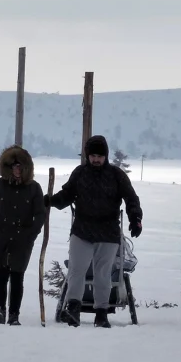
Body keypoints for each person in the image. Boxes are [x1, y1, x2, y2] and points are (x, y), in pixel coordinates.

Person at [45, 134, 142, 328]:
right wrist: (51, 201)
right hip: (82, 230)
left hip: (108, 232)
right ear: (87, 156)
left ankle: (101, 314)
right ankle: (73, 308)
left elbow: (131, 198)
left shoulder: (116, 175)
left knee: (103, 274)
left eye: (100, 156)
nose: (96, 159)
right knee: (76, 270)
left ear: (105, 156)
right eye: (93, 156)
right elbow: (67, 195)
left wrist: (135, 218)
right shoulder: (80, 173)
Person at [0, 145, 45, 325]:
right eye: (13, 166)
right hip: (0, 236)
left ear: (26, 168)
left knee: (17, 276)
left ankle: (14, 314)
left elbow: (40, 214)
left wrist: (31, 235)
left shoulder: (34, 188)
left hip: (22, 239)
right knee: (1, 275)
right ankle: (0, 310)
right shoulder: (0, 185)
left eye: (20, 167)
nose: (17, 170)